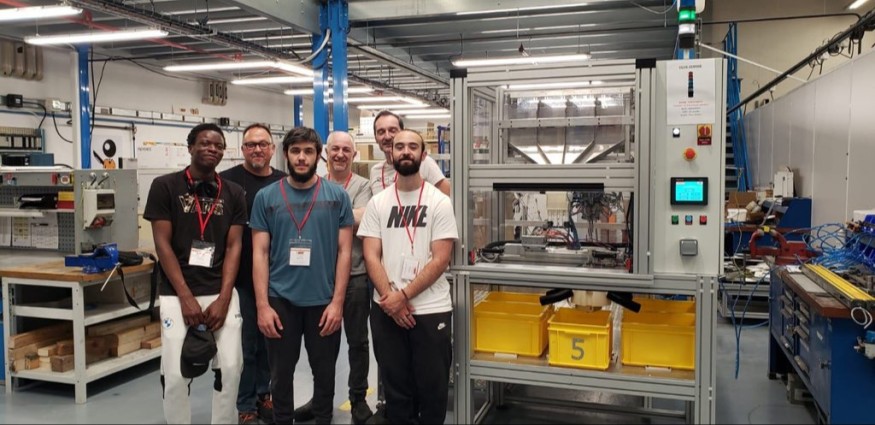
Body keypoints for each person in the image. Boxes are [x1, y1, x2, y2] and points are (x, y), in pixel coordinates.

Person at [144, 123, 247, 424]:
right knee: (176, 372)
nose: (212, 149)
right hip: (176, 294)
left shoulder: (234, 193)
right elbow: (162, 244)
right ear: (189, 147)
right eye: (204, 143)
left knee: (231, 368)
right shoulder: (165, 186)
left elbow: (234, 246)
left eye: (218, 145)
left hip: (220, 291)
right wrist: (186, 297)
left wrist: (224, 298)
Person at [250, 126, 354, 425]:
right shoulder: (266, 197)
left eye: (308, 151)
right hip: (280, 301)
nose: (301, 157)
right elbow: (259, 253)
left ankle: (323, 419)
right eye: (295, 151)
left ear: (318, 156)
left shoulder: (337, 197)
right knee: (281, 374)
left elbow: (344, 252)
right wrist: (262, 306)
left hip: (324, 302)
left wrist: (337, 303)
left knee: (325, 372)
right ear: (286, 154)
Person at [358, 129, 458, 424]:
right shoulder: (378, 203)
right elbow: (371, 255)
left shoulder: (439, 202)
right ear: (391, 153)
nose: (405, 151)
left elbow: (441, 258)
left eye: (412, 146)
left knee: (432, 391)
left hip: (430, 309)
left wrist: (402, 297)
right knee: (396, 391)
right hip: (386, 309)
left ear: (423, 155)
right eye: (399, 146)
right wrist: (390, 299)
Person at [293, 131, 374, 424]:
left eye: (346, 150)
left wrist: (322, 215)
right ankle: (320, 400)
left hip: (355, 277)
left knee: (357, 342)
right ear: (326, 153)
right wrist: (340, 216)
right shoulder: (313, 183)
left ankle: (358, 400)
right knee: (321, 346)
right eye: (335, 149)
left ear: (354, 155)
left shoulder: (364, 186)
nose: (340, 154)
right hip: (320, 278)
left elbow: (360, 219)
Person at [220, 123, 286, 425]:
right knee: (246, 345)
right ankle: (245, 403)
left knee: (270, 343)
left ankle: (263, 393)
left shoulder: (284, 182)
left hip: (279, 278)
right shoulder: (227, 182)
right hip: (242, 280)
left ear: (272, 149)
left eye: (263, 144)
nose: (257, 149)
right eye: (250, 145)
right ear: (242, 149)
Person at [368, 110, 450, 196]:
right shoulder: (375, 171)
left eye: (392, 130)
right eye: (381, 132)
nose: (387, 136)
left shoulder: (423, 162)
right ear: (375, 138)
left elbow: (448, 196)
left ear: (403, 133)